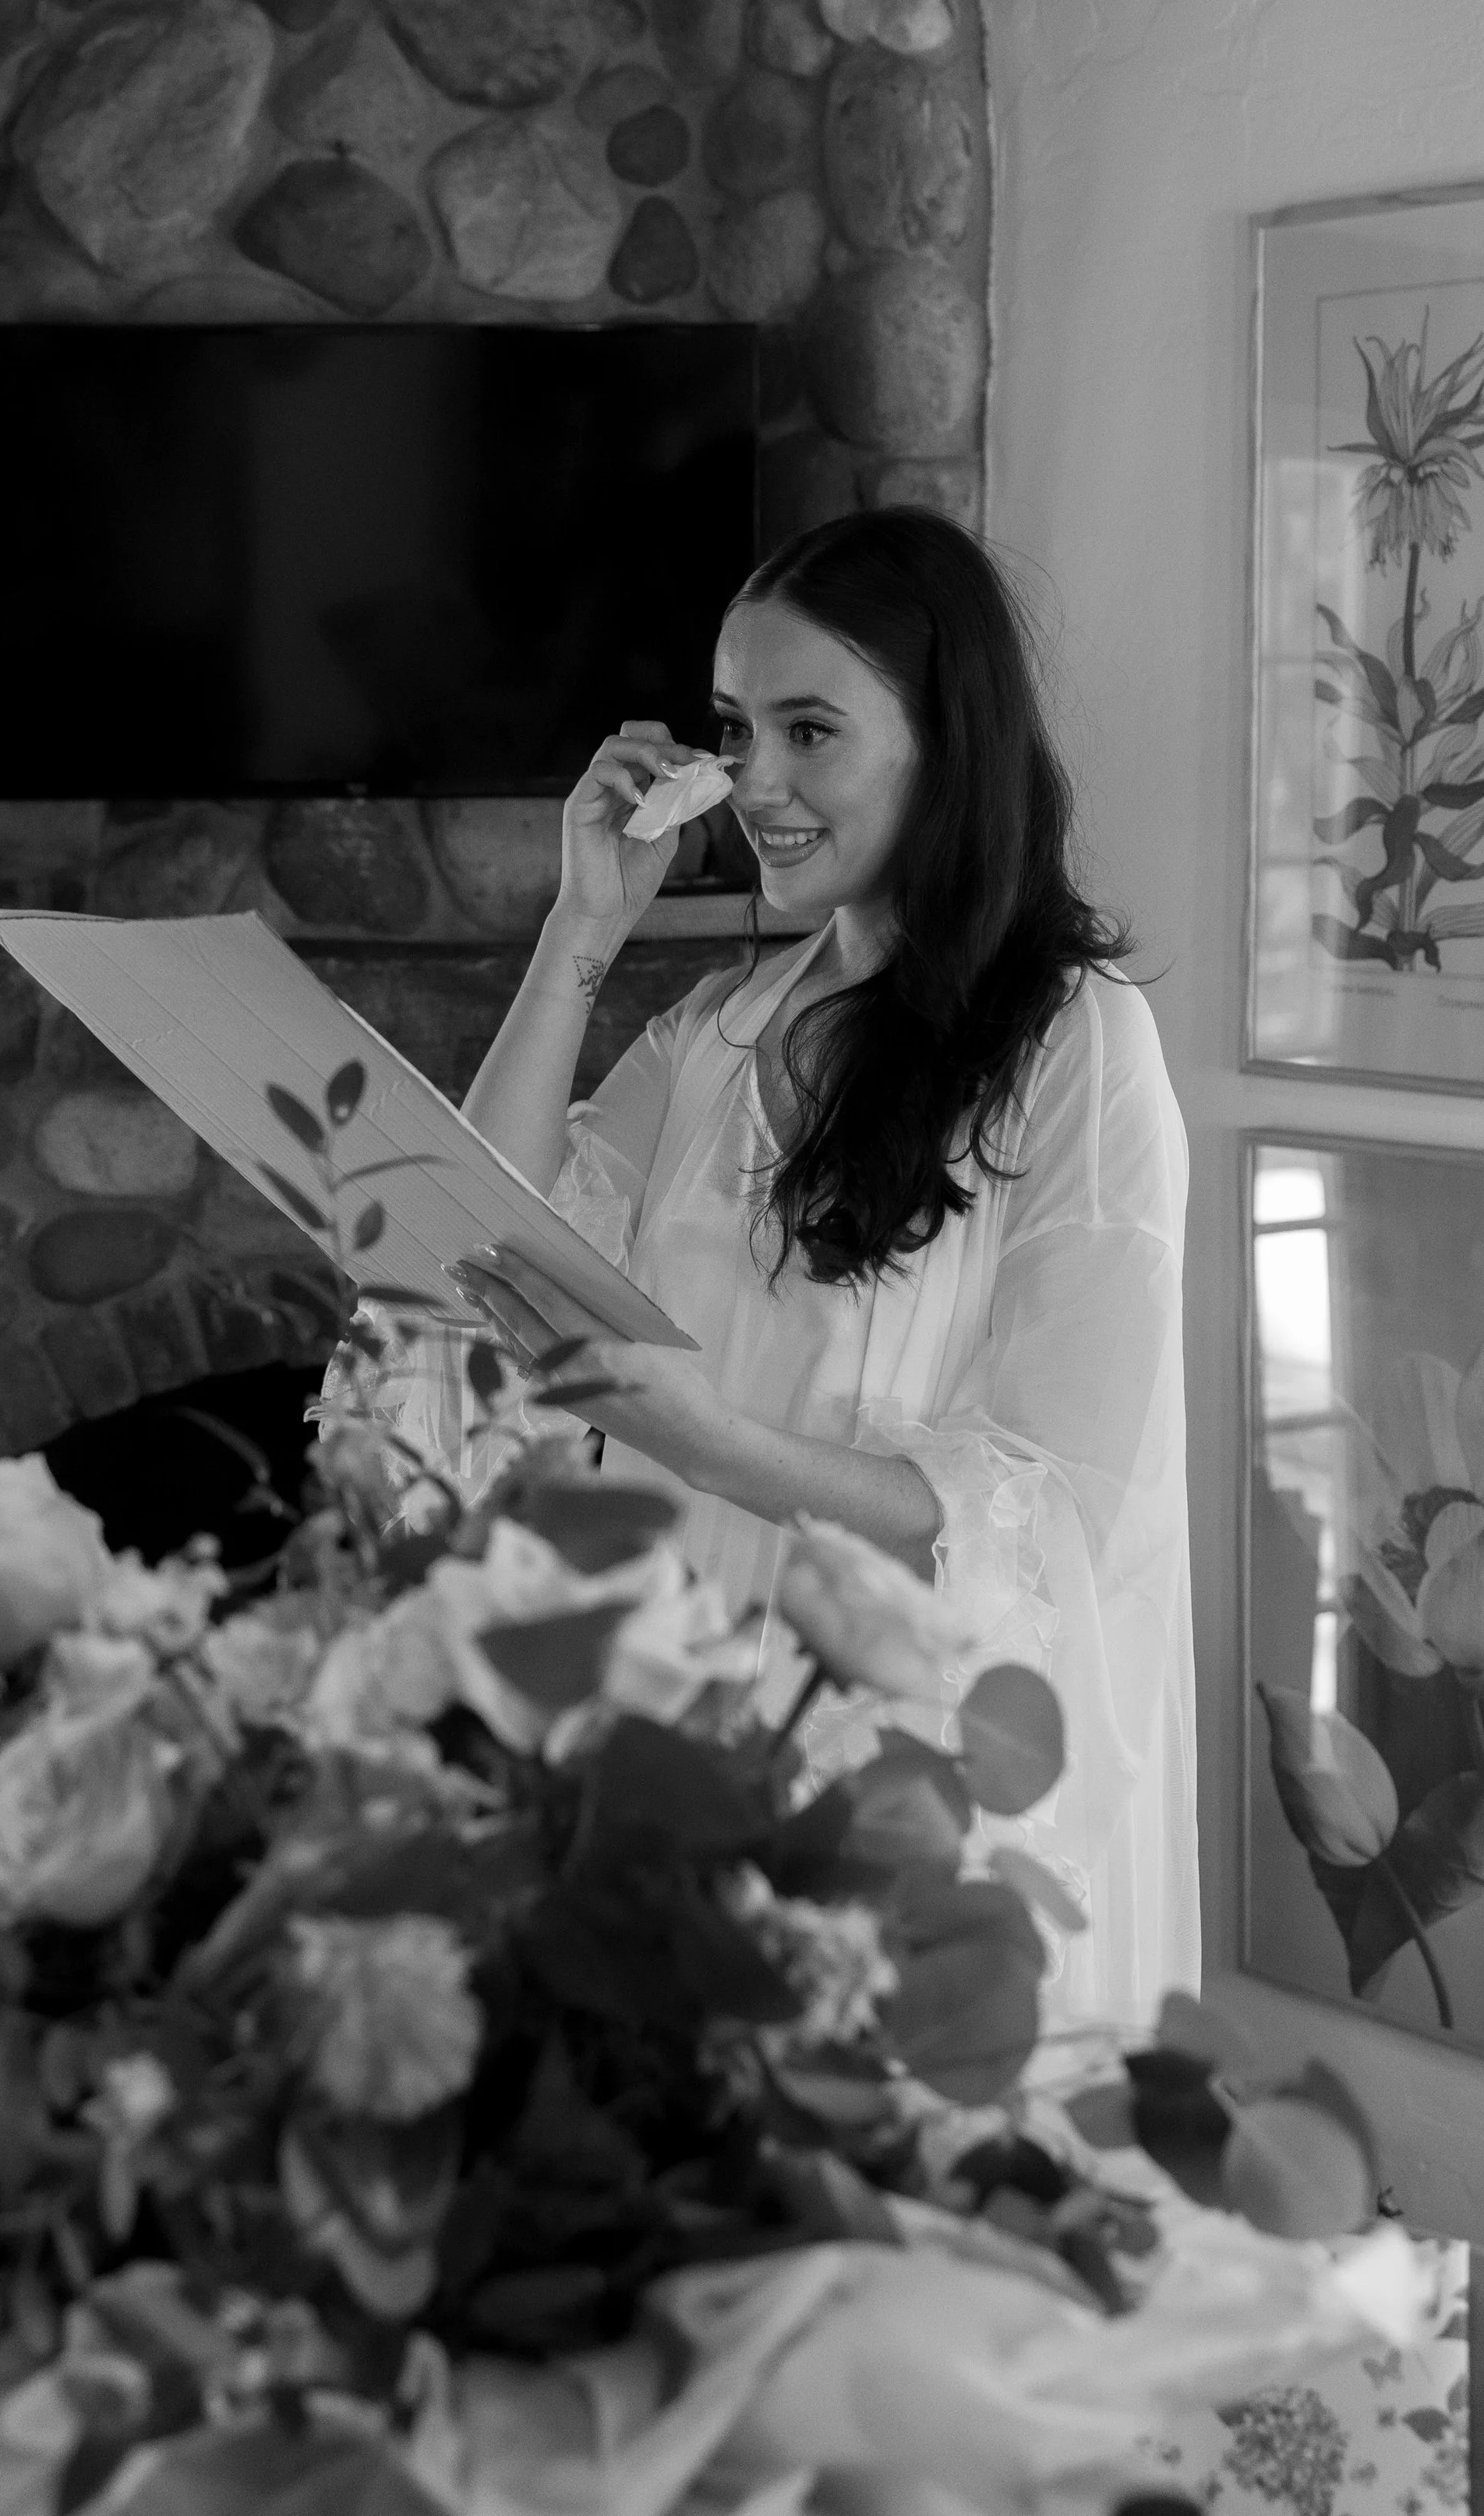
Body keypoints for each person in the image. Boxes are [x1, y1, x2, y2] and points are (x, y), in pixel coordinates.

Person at [410, 508, 1196, 2030]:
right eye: (732, 728)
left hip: (904, 1777)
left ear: (943, 743)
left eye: (808, 729)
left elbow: (1046, 1514)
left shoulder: (1076, 1050)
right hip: (667, 1728)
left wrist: (699, 1440)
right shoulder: (716, 1026)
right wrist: (580, 930)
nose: (752, 781)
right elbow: (474, 1232)